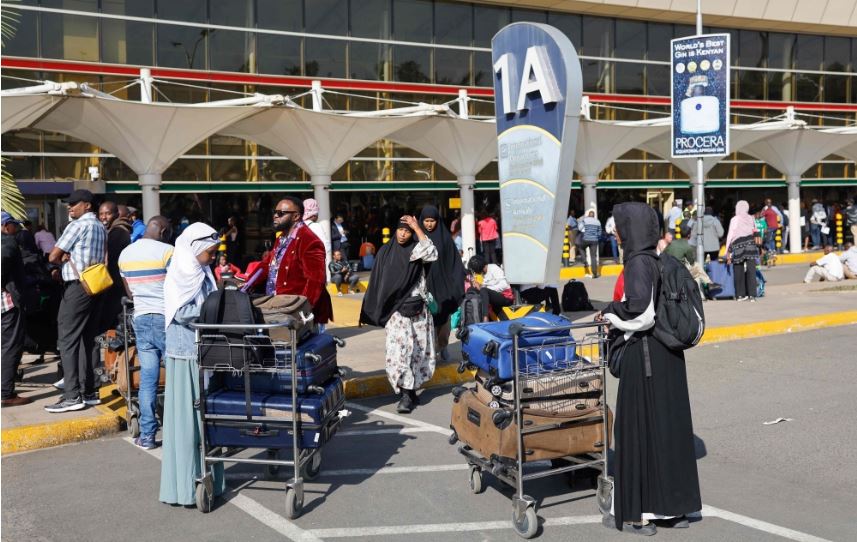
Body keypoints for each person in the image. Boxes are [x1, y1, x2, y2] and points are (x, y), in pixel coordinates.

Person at [598, 202, 701, 535]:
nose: (616, 232)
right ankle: (670, 509)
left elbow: (641, 315)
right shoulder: (660, 258)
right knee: (666, 431)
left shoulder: (637, 263)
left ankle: (634, 513)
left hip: (643, 360)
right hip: (667, 358)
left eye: (619, 226)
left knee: (634, 433)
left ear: (630, 230)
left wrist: (610, 316)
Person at [159, 222, 225, 506]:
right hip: (186, 355)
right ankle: (186, 486)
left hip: (204, 352)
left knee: (207, 420)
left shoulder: (201, 270)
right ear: (195, 248)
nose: (213, 257)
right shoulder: (180, 273)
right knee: (189, 423)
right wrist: (220, 304)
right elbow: (185, 312)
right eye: (210, 252)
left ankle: (212, 478)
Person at [360, 216, 438, 413]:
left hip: (419, 309)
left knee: (419, 351)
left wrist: (417, 228)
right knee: (399, 352)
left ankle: (411, 391)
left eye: (408, 231)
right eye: (401, 230)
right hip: (396, 312)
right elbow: (380, 283)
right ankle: (405, 395)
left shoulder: (416, 250)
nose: (403, 234)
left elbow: (432, 253)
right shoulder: (386, 252)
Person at [46, 189, 107, 413]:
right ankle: (89, 392)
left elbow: (53, 255)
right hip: (96, 286)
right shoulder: (100, 226)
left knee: (68, 339)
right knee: (88, 339)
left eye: (74, 204)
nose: (70, 207)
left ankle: (72, 396)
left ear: (87, 205)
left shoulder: (77, 225)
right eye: (69, 204)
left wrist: (62, 256)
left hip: (77, 287)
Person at [118, 216, 174, 450]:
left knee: (148, 379)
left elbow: (130, 293)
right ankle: (178, 430)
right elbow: (177, 286)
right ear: (162, 230)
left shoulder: (125, 254)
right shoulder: (168, 251)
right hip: (166, 319)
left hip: (140, 318)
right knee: (177, 376)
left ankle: (148, 435)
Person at [244, 197, 332, 327]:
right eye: (274, 212)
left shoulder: (309, 241)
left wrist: (303, 311)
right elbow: (266, 265)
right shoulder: (281, 238)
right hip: (278, 308)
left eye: (280, 213)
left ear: (296, 216)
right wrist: (246, 285)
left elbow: (315, 280)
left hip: (297, 313)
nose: (275, 216)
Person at [419, 205, 466, 362]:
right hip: (425, 284)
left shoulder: (445, 237)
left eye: (432, 221)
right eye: (426, 221)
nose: (429, 224)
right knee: (428, 318)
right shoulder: (417, 236)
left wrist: (457, 280)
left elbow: (454, 261)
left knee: (444, 316)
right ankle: (431, 350)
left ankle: (443, 345)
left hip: (443, 284)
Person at [2, 212, 31, 406]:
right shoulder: (7, 241)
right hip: (8, 302)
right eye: (14, 225)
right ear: (5, 226)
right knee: (10, 346)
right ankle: (6, 393)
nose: (17, 229)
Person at [99, 201, 132, 330]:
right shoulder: (114, 230)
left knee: (110, 319)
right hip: (115, 281)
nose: (103, 217)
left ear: (116, 215)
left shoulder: (118, 232)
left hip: (114, 282)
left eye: (107, 214)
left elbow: (112, 258)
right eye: (101, 214)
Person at [725, 200, 760, 302]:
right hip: (750, 245)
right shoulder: (751, 218)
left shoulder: (734, 219)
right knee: (751, 271)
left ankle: (740, 295)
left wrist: (727, 250)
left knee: (738, 270)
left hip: (738, 246)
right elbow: (755, 230)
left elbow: (730, 235)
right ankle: (752, 295)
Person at [467, 255, 513, 320]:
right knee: (471, 289)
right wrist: (479, 286)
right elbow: (486, 288)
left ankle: (485, 317)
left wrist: (485, 288)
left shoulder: (493, 268)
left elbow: (504, 285)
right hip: (494, 296)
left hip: (505, 296)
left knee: (483, 290)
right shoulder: (483, 274)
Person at [303, 198, 332, 280]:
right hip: (315, 269)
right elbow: (326, 247)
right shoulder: (316, 226)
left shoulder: (297, 227)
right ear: (314, 215)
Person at [579, 210, 602, 278]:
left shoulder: (585, 220)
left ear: (589, 215)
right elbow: (600, 232)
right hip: (594, 240)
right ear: (594, 216)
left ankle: (584, 261)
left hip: (586, 239)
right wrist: (596, 236)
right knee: (593, 257)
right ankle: (594, 274)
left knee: (581, 247)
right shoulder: (598, 222)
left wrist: (585, 231)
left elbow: (580, 228)